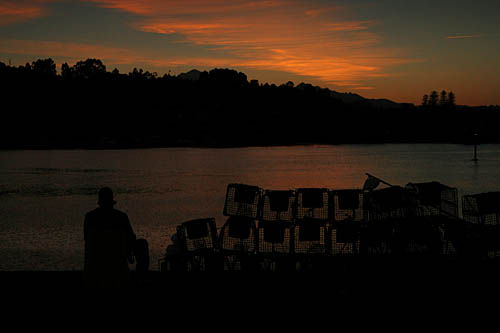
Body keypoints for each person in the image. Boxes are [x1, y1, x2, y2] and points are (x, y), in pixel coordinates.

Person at [84, 187, 136, 288]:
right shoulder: (121, 217)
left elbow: (87, 240)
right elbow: (131, 238)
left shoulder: (90, 217)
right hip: (117, 267)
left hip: (94, 267)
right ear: (112, 202)